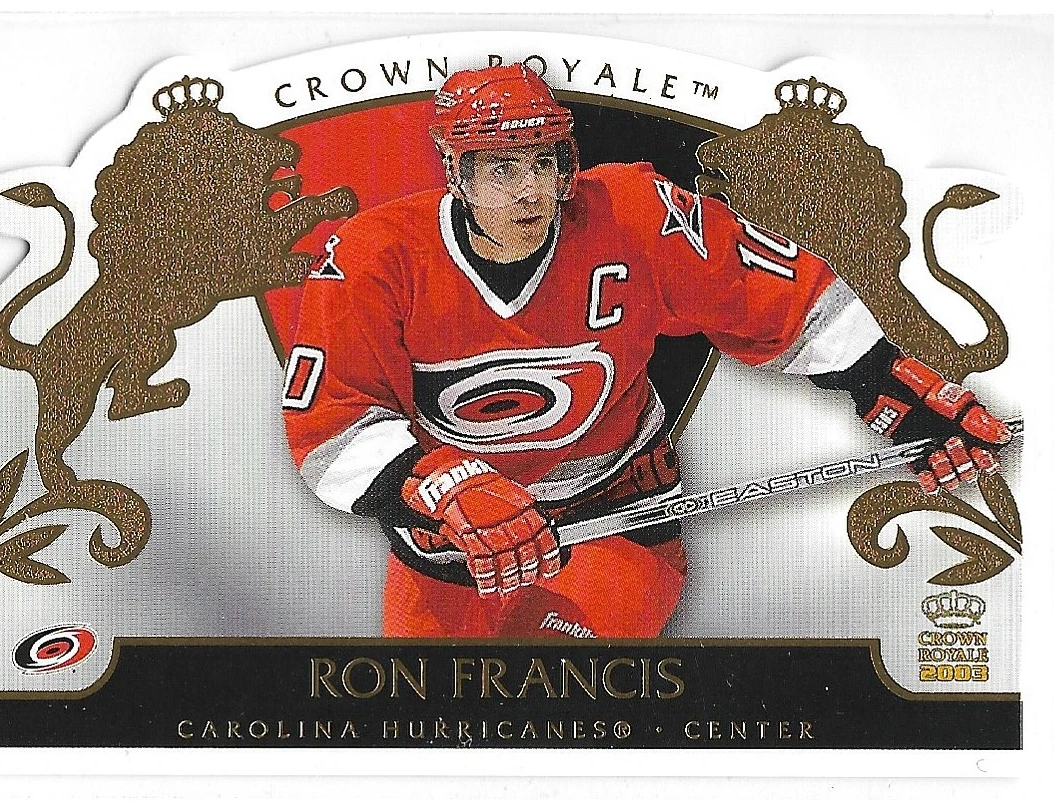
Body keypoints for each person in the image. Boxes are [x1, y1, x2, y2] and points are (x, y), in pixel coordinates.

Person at [282, 64, 1011, 639]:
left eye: (544, 163)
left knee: (558, 709)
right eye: (502, 170)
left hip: (616, 515)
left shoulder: (632, 214)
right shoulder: (376, 255)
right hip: (453, 548)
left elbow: (782, 301)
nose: (532, 191)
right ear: (456, 173)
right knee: (429, 727)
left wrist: (895, 390)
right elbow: (331, 425)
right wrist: (446, 487)